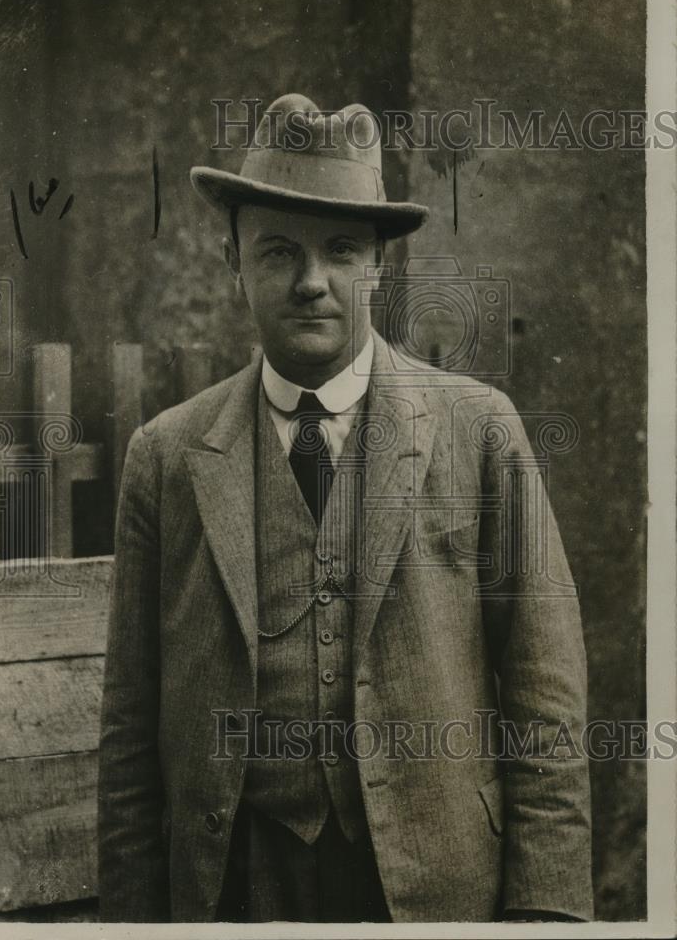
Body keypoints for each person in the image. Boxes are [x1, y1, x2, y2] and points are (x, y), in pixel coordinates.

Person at [98, 94, 593, 923]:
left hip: (432, 884)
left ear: (379, 266)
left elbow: (548, 706)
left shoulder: (479, 431)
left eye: (340, 251)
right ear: (233, 258)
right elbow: (129, 739)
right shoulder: (167, 455)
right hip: (235, 884)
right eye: (278, 252)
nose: (311, 282)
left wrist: (545, 918)